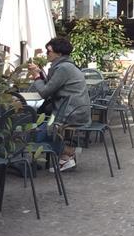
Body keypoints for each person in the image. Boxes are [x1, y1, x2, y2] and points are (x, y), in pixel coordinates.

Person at [26, 37, 91, 171]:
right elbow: (51, 86)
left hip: (71, 113)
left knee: (35, 135)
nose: (46, 54)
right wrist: (40, 73)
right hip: (74, 110)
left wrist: (36, 77)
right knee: (38, 128)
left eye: (49, 51)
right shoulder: (64, 66)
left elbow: (44, 92)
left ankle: (68, 154)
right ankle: (67, 155)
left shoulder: (63, 68)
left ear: (59, 53)